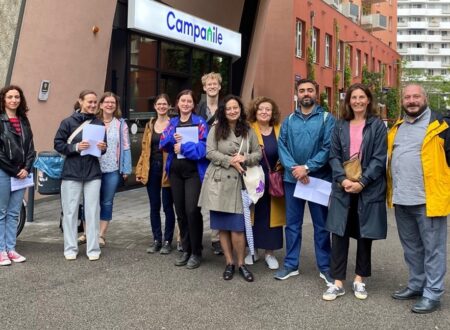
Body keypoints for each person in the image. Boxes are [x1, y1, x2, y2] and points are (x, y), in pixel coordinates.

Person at [388, 84, 450, 314]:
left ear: (425, 98)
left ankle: (432, 293)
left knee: (433, 249)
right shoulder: (397, 127)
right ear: (402, 101)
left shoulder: (441, 126)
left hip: (429, 200)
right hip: (402, 199)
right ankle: (416, 284)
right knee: (411, 248)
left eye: (416, 96)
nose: (411, 100)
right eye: (407, 97)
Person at [322, 83, 387, 301]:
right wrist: (342, 179)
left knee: (363, 234)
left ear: (369, 100)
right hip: (343, 187)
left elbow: (379, 158)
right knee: (339, 234)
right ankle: (337, 281)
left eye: (362, 97)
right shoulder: (340, 125)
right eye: (353, 97)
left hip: (367, 188)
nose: (357, 101)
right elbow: (333, 155)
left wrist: (362, 182)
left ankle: (360, 279)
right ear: (348, 101)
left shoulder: (377, 126)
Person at [275, 79, 335, 284]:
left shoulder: (327, 119)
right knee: (292, 225)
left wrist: (307, 168)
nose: (306, 94)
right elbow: (282, 146)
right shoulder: (289, 120)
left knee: (321, 226)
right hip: (293, 180)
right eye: (302, 91)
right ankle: (291, 265)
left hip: (318, 180)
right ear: (297, 94)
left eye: (310, 90)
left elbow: (328, 148)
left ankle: (325, 267)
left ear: (316, 94)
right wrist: (297, 171)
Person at [199, 95, 262, 281]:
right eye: (228, 109)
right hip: (219, 183)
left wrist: (244, 159)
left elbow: (257, 153)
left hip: (239, 184)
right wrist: (230, 161)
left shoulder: (248, 130)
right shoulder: (216, 129)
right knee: (222, 228)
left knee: (238, 228)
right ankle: (229, 263)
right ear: (223, 112)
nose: (232, 111)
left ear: (240, 110)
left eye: (235, 108)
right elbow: (209, 152)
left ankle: (241, 263)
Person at [54, 90, 107, 261]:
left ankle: (93, 248)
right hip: (71, 172)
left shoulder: (99, 123)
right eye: (89, 102)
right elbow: (58, 144)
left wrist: (102, 147)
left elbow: (103, 150)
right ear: (80, 102)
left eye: (94, 102)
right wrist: (76, 148)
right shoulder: (67, 122)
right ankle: (70, 247)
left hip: (93, 172)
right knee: (70, 212)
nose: (92, 105)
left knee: (92, 211)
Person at [160, 90, 208, 269]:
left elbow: (204, 149)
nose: (186, 104)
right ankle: (186, 249)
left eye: (189, 101)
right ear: (177, 103)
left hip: (193, 173)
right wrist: (172, 139)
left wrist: (185, 147)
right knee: (180, 211)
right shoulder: (172, 123)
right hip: (175, 173)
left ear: (193, 104)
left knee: (192, 211)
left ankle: (196, 251)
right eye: (183, 100)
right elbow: (162, 144)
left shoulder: (200, 123)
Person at [246, 96, 285, 270]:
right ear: (255, 110)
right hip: (253, 179)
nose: (264, 112)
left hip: (273, 180)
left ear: (273, 112)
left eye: (268, 109)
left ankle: (270, 253)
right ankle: (252, 251)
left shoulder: (280, 129)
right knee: (253, 214)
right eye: (261, 109)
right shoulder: (248, 128)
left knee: (272, 217)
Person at [136, 94, 176, 255]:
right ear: (155, 106)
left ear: (169, 106)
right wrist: (139, 169)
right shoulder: (150, 125)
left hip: (168, 169)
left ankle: (168, 240)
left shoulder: (174, 124)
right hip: (151, 168)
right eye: (159, 104)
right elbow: (145, 149)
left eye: (164, 104)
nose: (162, 106)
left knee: (167, 206)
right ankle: (156, 239)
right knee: (154, 206)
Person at [0, 85, 35, 265]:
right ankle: (1, 251)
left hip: (23, 172)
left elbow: (30, 147)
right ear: (3, 99)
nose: (14, 100)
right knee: (1, 212)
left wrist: (27, 168)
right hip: (4, 172)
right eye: (10, 97)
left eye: (17, 97)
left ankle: (11, 249)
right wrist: (15, 170)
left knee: (14, 213)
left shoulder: (23, 119)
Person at [95, 92, 131, 247]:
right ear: (101, 105)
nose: (110, 105)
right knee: (90, 202)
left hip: (112, 169)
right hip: (93, 169)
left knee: (107, 202)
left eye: (113, 103)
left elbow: (126, 147)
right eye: (107, 102)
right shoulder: (93, 122)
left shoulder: (120, 124)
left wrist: (126, 169)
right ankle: (88, 233)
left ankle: (101, 235)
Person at [197, 72, 223, 255]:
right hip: (199, 159)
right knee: (194, 200)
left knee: (217, 200)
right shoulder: (196, 108)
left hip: (219, 159)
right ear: (204, 88)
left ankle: (217, 238)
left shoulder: (226, 108)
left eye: (215, 84)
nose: (212, 86)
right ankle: (191, 237)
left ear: (219, 87)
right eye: (209, 84)